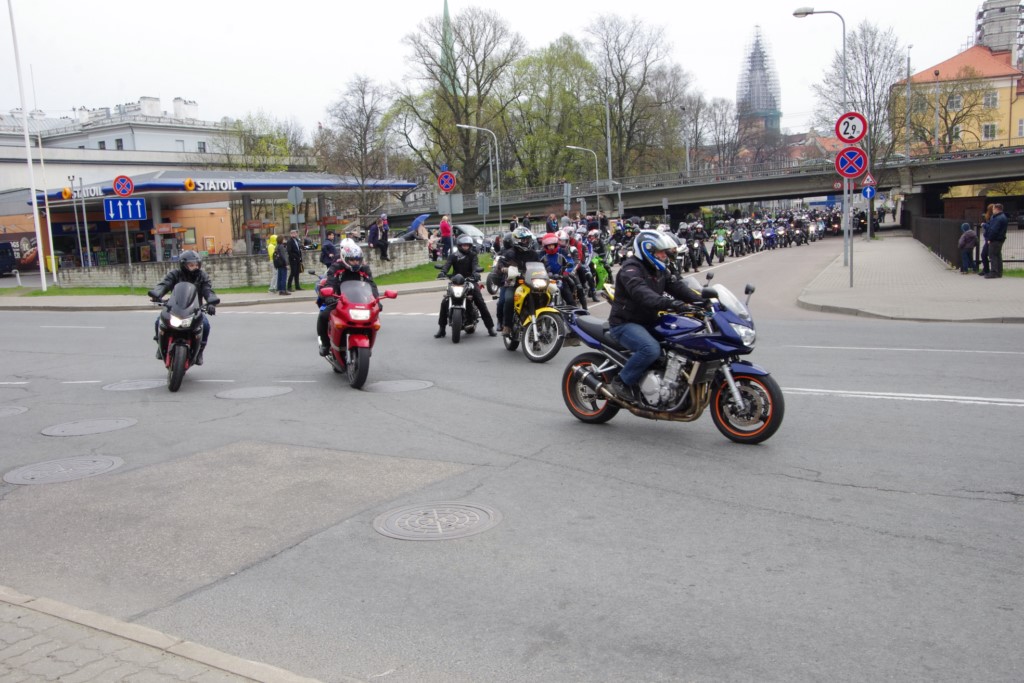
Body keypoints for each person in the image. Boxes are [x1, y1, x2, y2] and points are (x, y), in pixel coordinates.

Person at [607, 230, 703, 402]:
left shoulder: (660, 270)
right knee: (650, 349)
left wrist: (703, 301)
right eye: (660, 252)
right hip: (625, 323)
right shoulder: (630, 269)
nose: (664, 255)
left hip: (649, 321)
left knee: (682, 342)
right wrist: (672, 304)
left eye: (664, 252)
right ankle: (621, 382)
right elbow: (642, 294)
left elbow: (678, 287)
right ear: (647, 250)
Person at [148, 250, 220, 366]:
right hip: (174, 308)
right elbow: (165, 284)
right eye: (191, 265)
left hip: (195, 309)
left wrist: (211, 302)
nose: (195, 267)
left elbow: (208, 290)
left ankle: (200, 352)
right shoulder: (175, 274)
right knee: (159, 321)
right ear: (183, 265)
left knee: (205, 325)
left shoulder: (202, 276)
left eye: (196, 264)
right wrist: (157, 293)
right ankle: (160, 346)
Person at [317, 240, 379, 356]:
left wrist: (377, 300)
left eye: (357, 260)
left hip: (359, 299)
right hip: (339, 298)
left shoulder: (364, 268)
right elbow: (330, 283)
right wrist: (329, 296)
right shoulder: (336, 267)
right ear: (345, 258)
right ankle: (325, 344)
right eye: (352, 260)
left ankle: (368, 346)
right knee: (323, 315)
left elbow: (372, 285)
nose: (355, 262)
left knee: (374, 318)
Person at [434, 234, 496, 338]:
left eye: (467, 245)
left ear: (470, 246)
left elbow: (475, 265)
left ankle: (490, 327)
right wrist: (443, 272)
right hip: (455, 281)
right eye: (464, 245)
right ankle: (442, 328)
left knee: (480, 301)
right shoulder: (453, 256)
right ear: (459, 245)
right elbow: (447, 265)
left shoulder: (473, 255)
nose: (466, 247)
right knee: (445, 302)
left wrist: (476, 273)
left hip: (470, 280)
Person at [497, 227, 541, 335]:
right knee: (509, 299)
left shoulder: (533, 254)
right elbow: (501, 262)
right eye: (523, 239)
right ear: (516, 240)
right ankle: (507, 325)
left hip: (530, 282)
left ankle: (542, 320)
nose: (526, 242)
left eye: (528, 239)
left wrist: (547, 270)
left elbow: (541, 264)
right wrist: (503, 268)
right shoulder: (510, 253)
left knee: (542, 296)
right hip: (513, 282)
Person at [985, 203, 1008, 278]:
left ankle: (994, 272)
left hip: (995, 239)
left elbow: (994, 230)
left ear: (996, 209)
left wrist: (990, 239)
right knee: (998, 255)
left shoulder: (998, 218)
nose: (992, 210)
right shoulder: (1003, 217)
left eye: (993, 209)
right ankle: (999, 272)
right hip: (1000, 239)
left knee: (993, 255)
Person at [978, 203, 994, 276]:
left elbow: (990, 227)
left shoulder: (992, 218)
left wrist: (984, 225)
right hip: (988, 238)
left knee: (984, 254)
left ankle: (986, 270)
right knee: (985, 254)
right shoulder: (991, 217)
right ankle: (986, 269)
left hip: (989, 238)